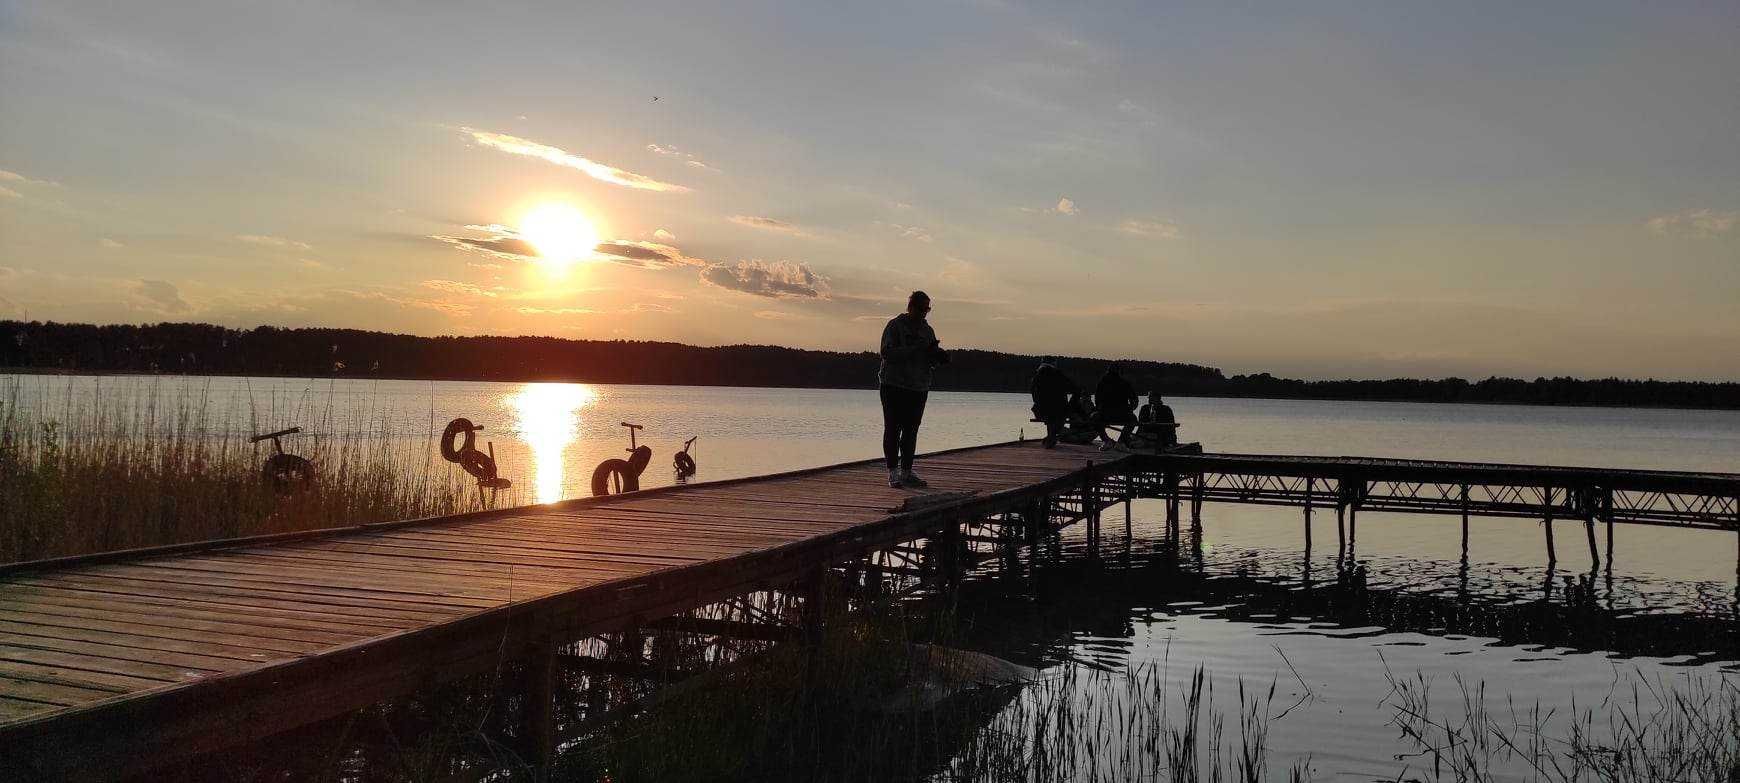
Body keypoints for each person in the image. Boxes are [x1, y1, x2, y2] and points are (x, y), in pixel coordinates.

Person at [877, 291, 948, 487]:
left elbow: (930, 360)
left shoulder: (928, 331)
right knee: (893, 428)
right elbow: (886, 353)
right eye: (922, 309)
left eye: (928, 309)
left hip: (919, 387)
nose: (925, 313)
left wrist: (938, 357)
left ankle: (907, 471)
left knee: (911, 431)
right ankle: (892, 471)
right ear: (911, 307)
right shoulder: (895, 326)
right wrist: (914, 350)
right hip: (893, 385)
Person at [1029, 356, 1076, 448]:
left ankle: (1051, 437)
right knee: (1060, 415)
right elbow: (1074, 389)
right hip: (1059, 410)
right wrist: (1071, 405)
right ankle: (1052, 436)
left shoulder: (1037, 376)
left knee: (1051, 417)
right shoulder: (1058, 375)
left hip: (1041, 410)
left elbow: (1033, 394)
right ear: (1054, 364)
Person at [1093, 363, 1138, 446]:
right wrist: (1130, 409)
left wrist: (1100, 409)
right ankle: (1121, 440)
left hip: (1106, 414)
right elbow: (1134, 400)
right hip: (1122, 414)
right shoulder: (1125, 383)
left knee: (1094, 417)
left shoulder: (1102, 383)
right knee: (1133, 419)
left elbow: (1097, 401)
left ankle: (1106, 440)